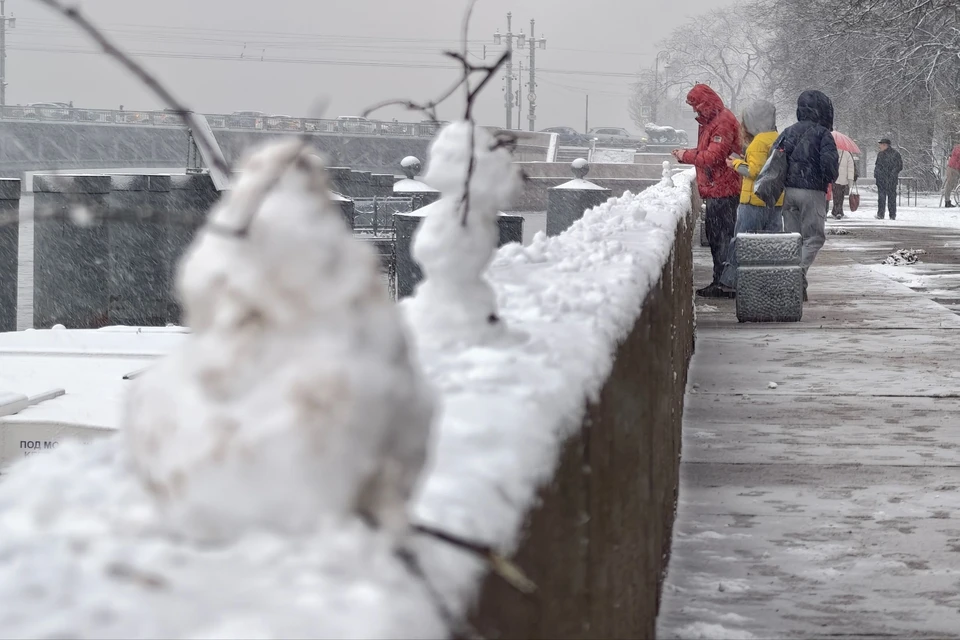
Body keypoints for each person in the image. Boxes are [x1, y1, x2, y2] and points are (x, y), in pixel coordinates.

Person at [671, 83, 742, 298]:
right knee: (718, 237)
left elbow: (713, 157)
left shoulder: (721, 123)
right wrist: (688, 153)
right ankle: (722, 280)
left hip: (722, 189)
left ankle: (724, 282)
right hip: (718, 188)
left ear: (706, 104)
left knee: (721, 238)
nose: (695, 111)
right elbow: (707, 151)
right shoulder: (713, 121)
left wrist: (685, 156)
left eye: (697, 106)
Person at [779, 90, 839, 301]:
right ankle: (796, 275)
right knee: (813, 238)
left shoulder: (787, 131)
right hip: (812, 191)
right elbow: (829, 165)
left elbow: (776, 160)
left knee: (794, 240)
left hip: (789, 191)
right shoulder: (823, 134)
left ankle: (797, 284)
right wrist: (828, 177)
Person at [718, 100, 784, 292]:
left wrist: (735, 164)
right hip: (774, 200)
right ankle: (768, 282)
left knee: (741, 241)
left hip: (753, 201)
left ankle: (731, 281)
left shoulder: (757, 142)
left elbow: (755, 171)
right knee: (770, 244)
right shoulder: (777, 138)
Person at [875, 138, 902, 220]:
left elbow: (899, 166)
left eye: (881, 145)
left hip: (890, 180)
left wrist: (892, 175)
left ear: (885, 145)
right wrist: (877, 175)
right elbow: (878, 166)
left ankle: (892, 214)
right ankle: (881, 214)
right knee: (882, 198)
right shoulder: (880, 154)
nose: (880, 146)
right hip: (882, 180)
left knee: (891, 198)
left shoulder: (895, 154)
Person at [831, 146, 857, 219]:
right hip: (843, 179)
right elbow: (850, 168)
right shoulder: (847, 154)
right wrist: (850, 179)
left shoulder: (831, 152)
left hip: (833, 177)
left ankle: (836, 211)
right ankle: (838, 211)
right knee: (840, 195)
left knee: (836, 195)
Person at [943, 143, 960, 208]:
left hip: (953, 167)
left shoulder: (957, 148)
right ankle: (947, 201)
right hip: (954, 168)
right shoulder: (958, 149)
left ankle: (947, 201)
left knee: (950, 184)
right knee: (950, 184)